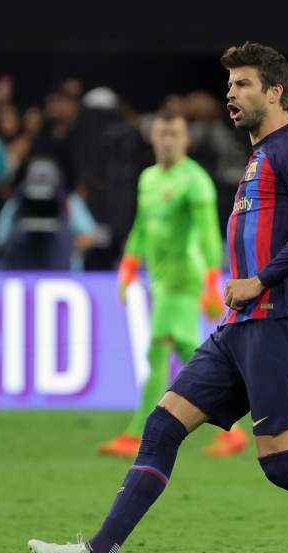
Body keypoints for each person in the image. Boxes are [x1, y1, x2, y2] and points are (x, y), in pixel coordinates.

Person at [28, 42, 288, 553]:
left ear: (274, 92)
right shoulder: (259, 154)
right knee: (162, 425)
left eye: (242, 84)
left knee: (283, 465)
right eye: (230, 85)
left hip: (273, 320)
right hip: (241, 324)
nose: (230, 94)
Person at [97, 110, 248, 458]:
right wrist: (129, 264)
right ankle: (234, 430)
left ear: (186, 140)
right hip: (160, 280)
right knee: (186, 352)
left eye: (174, 135)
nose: (167, 141)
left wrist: (212, 279)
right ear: (153, 138)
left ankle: (137, 433)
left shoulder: (194, 181)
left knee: (158, 348)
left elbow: (210, 233)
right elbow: (142, 226)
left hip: (185, 278)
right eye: (162, 134)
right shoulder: (148, 178)